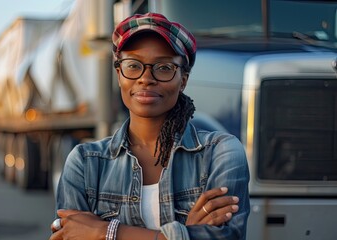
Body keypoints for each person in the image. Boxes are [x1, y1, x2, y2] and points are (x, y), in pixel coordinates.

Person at [49, 12, 250, 240]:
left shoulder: (221, 153)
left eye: (164, 67)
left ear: (182, 80)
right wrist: (183, 234)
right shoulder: (84, 163)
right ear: (119, 75)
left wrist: (104, 232)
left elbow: (227, 237)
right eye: (133, 65)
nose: (146, 78)